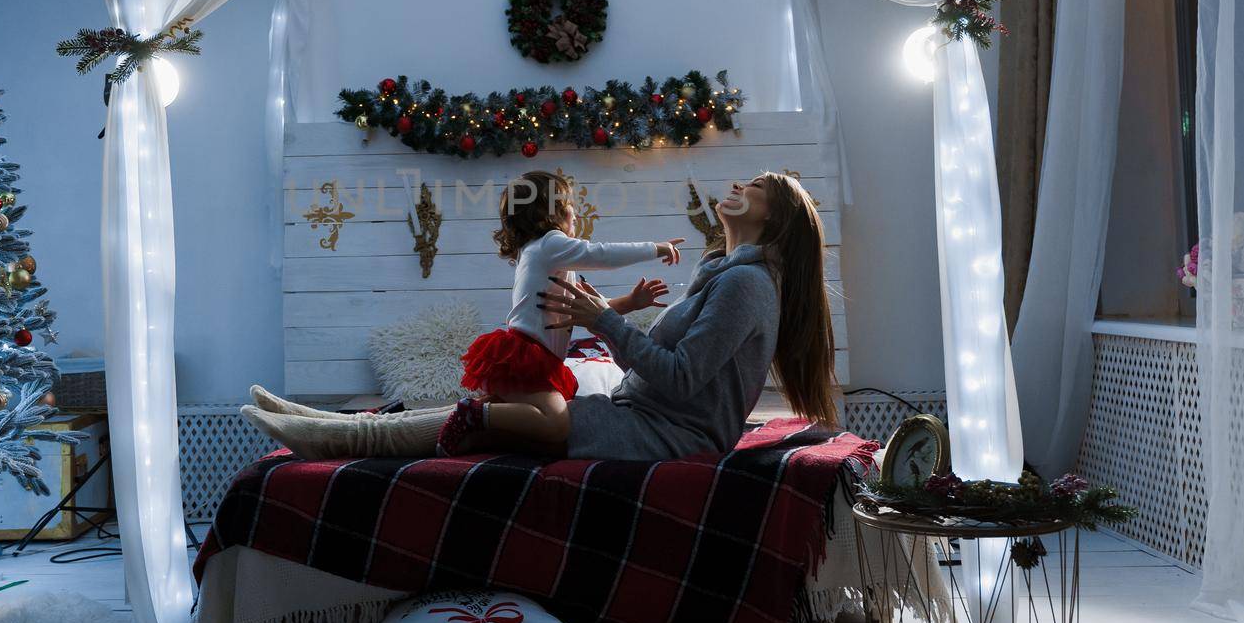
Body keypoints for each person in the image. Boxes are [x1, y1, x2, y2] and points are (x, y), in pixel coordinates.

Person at [244, 171, 838, 461]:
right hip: (644, 418)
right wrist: (611, 314)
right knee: (504, 413)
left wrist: (606, 318)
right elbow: (662, 362)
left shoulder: (746, 284)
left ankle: (334, 436)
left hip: (671, 439)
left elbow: (680, 375)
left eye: (757, 186)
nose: (740, 184)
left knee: (499, 420)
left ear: (776, 218)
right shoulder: (726, 274)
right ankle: (334, 426)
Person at [435, 169, 682, 455]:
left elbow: (594, 307)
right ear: (550, 211)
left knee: (546, 437)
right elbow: (599, 253)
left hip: (539, 358)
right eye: (569, 204)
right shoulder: (550, 244)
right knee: (557, 423)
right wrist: (655, 248)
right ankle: (474, 413)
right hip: (526, 357)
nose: (575, 213)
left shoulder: (551, 258)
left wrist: (631, 301)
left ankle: (475, 428)